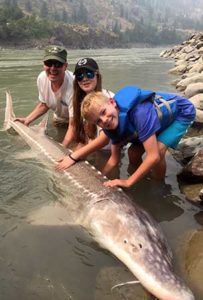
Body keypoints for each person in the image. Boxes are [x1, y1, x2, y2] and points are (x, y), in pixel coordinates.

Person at [56, 86, 196, 189]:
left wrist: (128, 182)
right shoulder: (110, 125)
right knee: (132, 153)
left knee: (158, 151)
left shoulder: (139, 113)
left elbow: (153, 156)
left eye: (103, 112)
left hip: (180, 114)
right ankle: (139, 180)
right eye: (98, 121)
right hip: (154, 121)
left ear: (112, 102)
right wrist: (99, 179)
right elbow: (114, 159)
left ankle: (158, 186)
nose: (104, 120)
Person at [15, 45, 74, 144]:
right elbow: (45, 104)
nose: (52, 68)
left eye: (58, 64)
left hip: (79, 122)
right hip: (60, 119)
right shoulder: (42, 78)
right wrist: (27, 120)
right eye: (48, 63)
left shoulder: (74, 85)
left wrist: (63, 149)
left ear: (65, 66)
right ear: (43, 65)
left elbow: (74, 125)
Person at [62, 57, 114, 148]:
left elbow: (104, 139)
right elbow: (83, 136)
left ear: (97, 75)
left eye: (89, 74)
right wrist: (63, 148)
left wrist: (74, 157)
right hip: (92, 148)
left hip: (108, 152)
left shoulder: (108, 98)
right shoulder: (79, 101)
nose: (84, 79)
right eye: (80, 76)